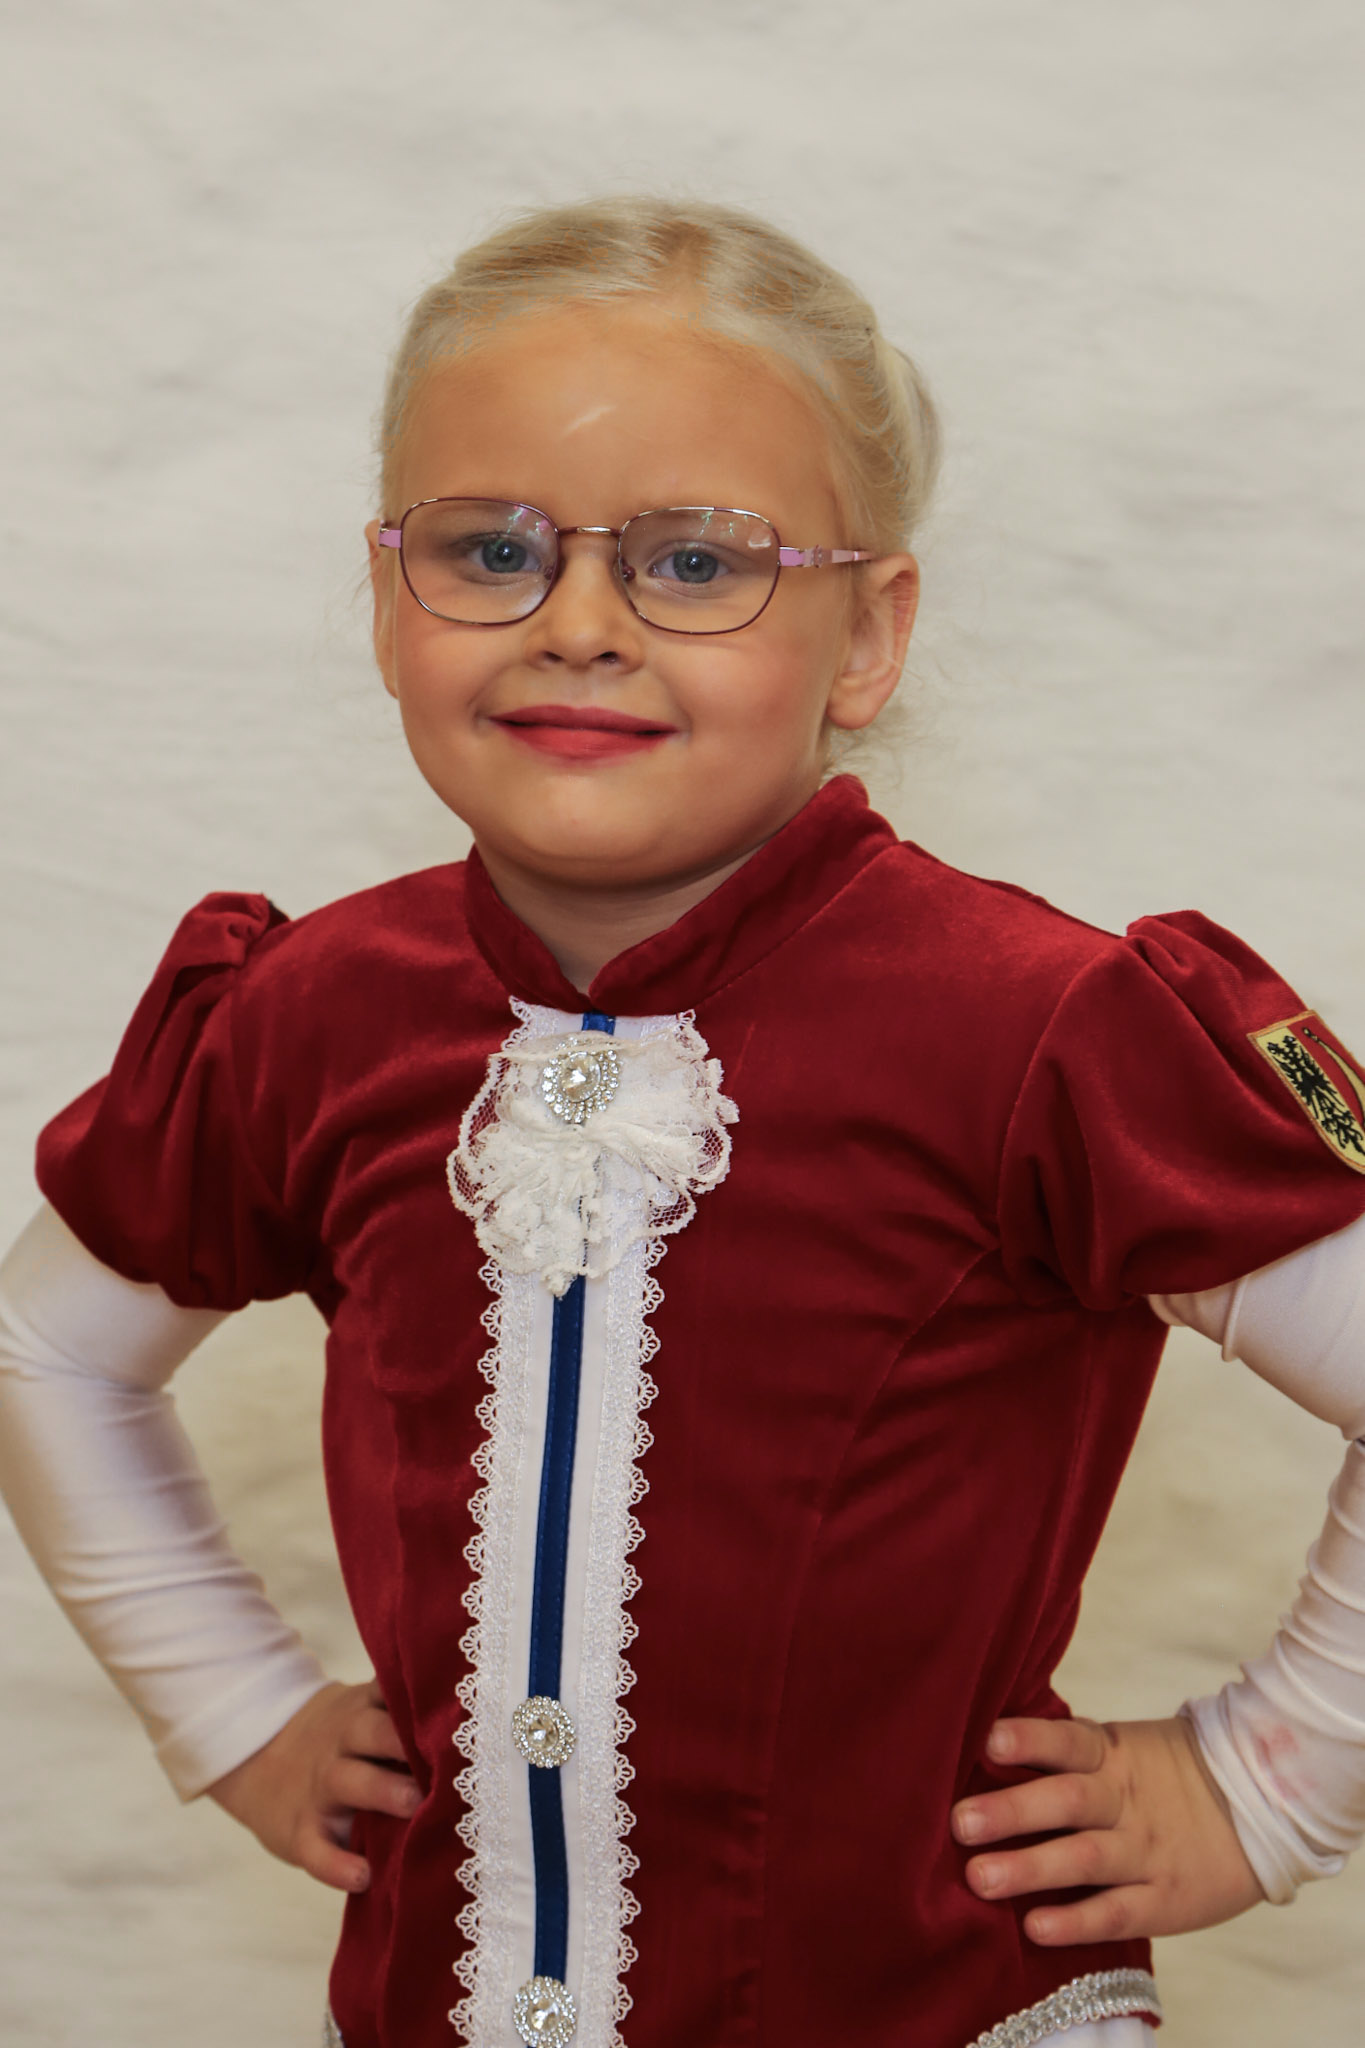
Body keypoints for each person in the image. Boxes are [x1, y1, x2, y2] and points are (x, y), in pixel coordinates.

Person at [3, 196, 1365, 2048]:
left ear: (867, 634)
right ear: (386, 599)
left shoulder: (1035, 1026)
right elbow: (49, 1351)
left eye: (697, 561)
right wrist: (230, 1714)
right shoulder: (306, 1016)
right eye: (489, 549)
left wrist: (1268, 1783)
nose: (578, 626)